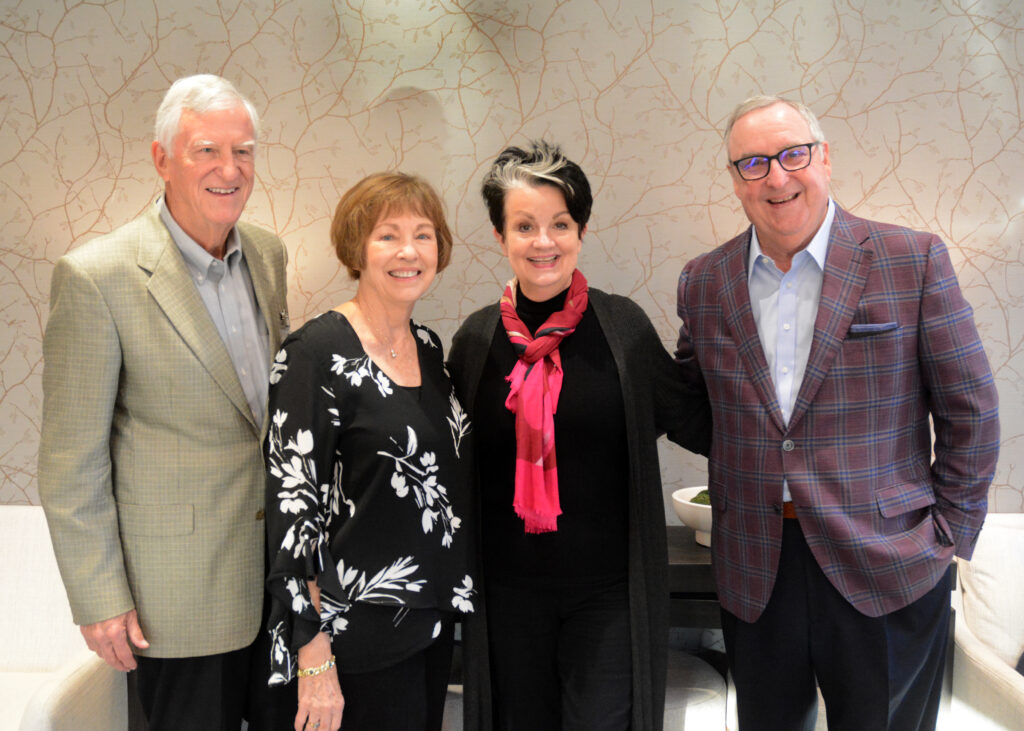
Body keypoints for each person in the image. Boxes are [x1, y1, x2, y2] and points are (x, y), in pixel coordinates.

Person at [674, 95, 1000, 730]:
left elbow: (973, 412)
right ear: (734, 178)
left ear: (824, 157)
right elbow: (697, 407)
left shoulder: (913, 260)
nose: (777, 177)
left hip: (887, 560)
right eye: (753, 163)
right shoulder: (704, 281)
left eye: (793, 154)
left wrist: (947, 539)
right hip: (755, 563)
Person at [38, 74, 293, 729]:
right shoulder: (98, 276)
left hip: (274, 586)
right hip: (175, 600)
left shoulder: (266, 254)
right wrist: (99, 596)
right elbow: (72, 459)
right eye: (206, 150)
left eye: (244, 151)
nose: (229, 169)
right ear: (162, 159)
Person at [448, 140, 711, 731]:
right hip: (507, 596)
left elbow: (696, 419)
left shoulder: (624, 329)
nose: (544, 242)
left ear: (581, 230)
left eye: (559, 224)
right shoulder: (474, 341)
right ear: (500, 237)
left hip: (608, 596)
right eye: (525, 226)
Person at [263, 172, 476, 731]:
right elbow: (292, 516)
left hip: (430, 624)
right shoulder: (316, 353)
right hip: (353, 639)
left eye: (423, 234)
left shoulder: (429, 349)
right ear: (357, 247)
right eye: (388, 235)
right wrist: (312, 657)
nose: (409, 251)